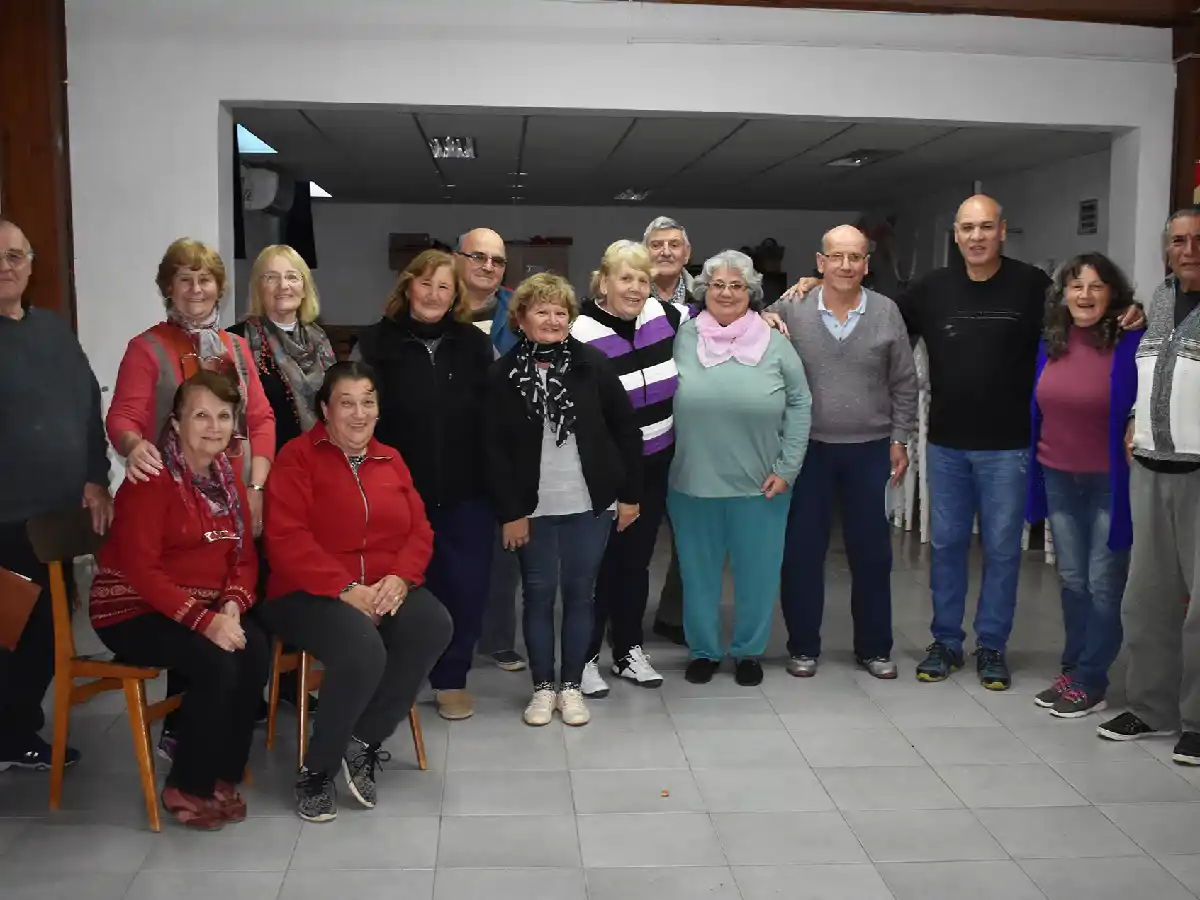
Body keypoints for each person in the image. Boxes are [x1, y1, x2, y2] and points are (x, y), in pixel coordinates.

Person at [861, 195, 1141, 691]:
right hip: (945, 445)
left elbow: (1085, 312)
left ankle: (991, 646)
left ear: (1002, 231)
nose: (976, 237)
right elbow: (878, 319)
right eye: (967, 227)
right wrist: (822, 286)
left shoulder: (1034, 287)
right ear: (955, 233)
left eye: (986, 227)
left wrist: (1132, 311)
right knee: (946, 548)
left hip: (1010, 448)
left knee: (1003, 552)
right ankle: (946, 642)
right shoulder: (931, 288)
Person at [260, 362, 452, 822]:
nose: (359, 413)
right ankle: (316, 772)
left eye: (368, 402)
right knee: (362, 648)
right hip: (303, 591)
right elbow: (286, 539)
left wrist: (401, 578)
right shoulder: (297, 457)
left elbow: (420, 531)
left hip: (381, 585)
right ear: (325, 409)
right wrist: (344, 587)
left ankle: (363, 741)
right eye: (346, 402)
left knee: (433, 624)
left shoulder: (391, 459)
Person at [106, 237, 275, 759]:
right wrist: (134, 448)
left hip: (232, 495)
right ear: (168, 289)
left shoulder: (237, 347)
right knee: (187, 595)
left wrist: (256, 486)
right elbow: (124, 419)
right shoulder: (147, 347)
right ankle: (184, 727)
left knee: (236, 593)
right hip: (173, 503)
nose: (196, 289)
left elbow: (262, 419)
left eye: (205, 279)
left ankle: (225, 715)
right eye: (184, 279)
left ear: (219, 289)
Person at [90, 371, 266, 829]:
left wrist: (231, 605)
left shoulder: (228, 478)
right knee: (217, 660)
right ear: (176, 421)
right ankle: (186, 784)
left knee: (254, 648)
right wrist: (206, 623)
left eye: (224, 416)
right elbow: (141, 572)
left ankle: (221, 776)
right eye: (201, 415)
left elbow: (244, 558)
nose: (213, 426)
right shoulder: (151, 478)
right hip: (131, 608)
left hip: (200, 606)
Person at [484, 273, 642, 727]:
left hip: (589, 504)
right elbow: (492, 449)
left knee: (581, 595)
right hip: (532, 508)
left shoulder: (594, 364)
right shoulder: (502, 374)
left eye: (561, 312)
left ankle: (571, 686)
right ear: (521, 319)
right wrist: (510, 513)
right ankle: (542, 688)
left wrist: (629, 496)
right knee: (537, 595)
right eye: (542, 311)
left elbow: (625, 431)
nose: (552, 320)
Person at [354, 250, 495, 721]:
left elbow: (495, 418)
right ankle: (402, 676)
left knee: (466, 586)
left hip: (467, 491)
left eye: (445, 287)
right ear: (407, 285)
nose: (434, 295)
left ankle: (452, 677)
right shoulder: (374, 343)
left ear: (456, 295)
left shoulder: (475, 344)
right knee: (401, 588)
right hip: (395, 492)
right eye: (426, 284)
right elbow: (356, 414)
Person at [773, 226, 917, 680]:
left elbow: (904, 381)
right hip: (807, 450)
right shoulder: (792, 307)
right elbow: (744, 317)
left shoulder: (886, 311)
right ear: (820, 262)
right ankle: (803, 646)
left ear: (867, 265)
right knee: (802, 551)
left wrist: (900, 437)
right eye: (837, 257)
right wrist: (766, 314)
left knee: (872, 553)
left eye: (855, 257)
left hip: (870, 449)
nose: (846, 266)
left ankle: (874, 648)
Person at [0, 217, 112, 772]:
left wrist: (96, 476)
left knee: (46, 634)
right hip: (6, 520)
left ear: (31, 264)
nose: (7, 266)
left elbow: (89, 407)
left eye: (16, 256)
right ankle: (13, 730)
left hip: (53, 518)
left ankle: (15, 729)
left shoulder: (53, 331)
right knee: (18, 635)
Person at [669, 251, 811, 688]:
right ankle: (705, 651)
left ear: (750, 293)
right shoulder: (680, 336)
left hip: (761, 483)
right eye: (717, 285)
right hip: (692, 480)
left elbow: (800, 403)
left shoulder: (776, 340)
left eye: (736, 286)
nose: (726, 293)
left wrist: (788, 468)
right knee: (698, 575)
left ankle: (749, 651)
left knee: (758, 573)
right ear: (703, 291)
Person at [1098, 208, 1200, 766]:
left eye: (1198, 240)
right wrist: (1136, 417)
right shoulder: (1156, 303)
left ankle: (1198, 718)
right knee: (1147, 600)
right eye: (1178, 241)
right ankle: (1151, 706)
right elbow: (1151, 371)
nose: (1188, 250)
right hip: (1151, 466)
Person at [571, 240, 688, 697]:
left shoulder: (665, 316)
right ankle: (583, 657)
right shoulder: (579, 332)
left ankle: (628, 650)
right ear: (603, 282)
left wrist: (775, 310)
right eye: (625, 278)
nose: (636, 287)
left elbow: (727, 315)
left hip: (654, 465)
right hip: (602, 472)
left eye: (643, 278)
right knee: (596, 567)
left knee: (635, 564)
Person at [1025, 253, 1139, 719]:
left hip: (1110, 481)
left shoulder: (1132, 340)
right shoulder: (1051, 341)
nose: (1085, 296)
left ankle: (1093, 680)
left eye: (1095, 287)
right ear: (1063, 294)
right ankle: (1073, 669)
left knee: (1103, 583)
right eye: (1076, 286)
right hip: (1058, 475)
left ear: (1112, 293)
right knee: (1072, 581)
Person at [229, 244, 335, 713]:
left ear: (304, 286)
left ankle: (293, 684)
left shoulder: (321, 341)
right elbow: (236, 421)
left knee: (299, 581)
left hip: (312, 481)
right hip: (261, 479)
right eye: (271, 278)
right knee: (256, 582)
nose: (282, 287)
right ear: (258, 287)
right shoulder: (236, 341)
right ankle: (248, 686)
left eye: (291, 277)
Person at [457, 227, 527, 673]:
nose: (487, 266)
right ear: (457, 257)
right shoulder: (436, 304)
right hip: (451, 448)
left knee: (507, 551)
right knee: (453, 551)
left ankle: (499, 639)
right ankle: (448, 641)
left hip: (507, 449)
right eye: (478, 256)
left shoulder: (516, 310)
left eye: (497, 260)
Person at [644, 216, 694, 647]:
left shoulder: (709, 294)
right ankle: (618, 614)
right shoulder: (623, 294)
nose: (665, 252)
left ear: (687, 253)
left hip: (692, 434)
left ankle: (675, 616)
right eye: (657, 245)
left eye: (673, 245)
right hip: (642, 435)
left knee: (688, 534)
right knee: (631, 531)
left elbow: (751, 311)